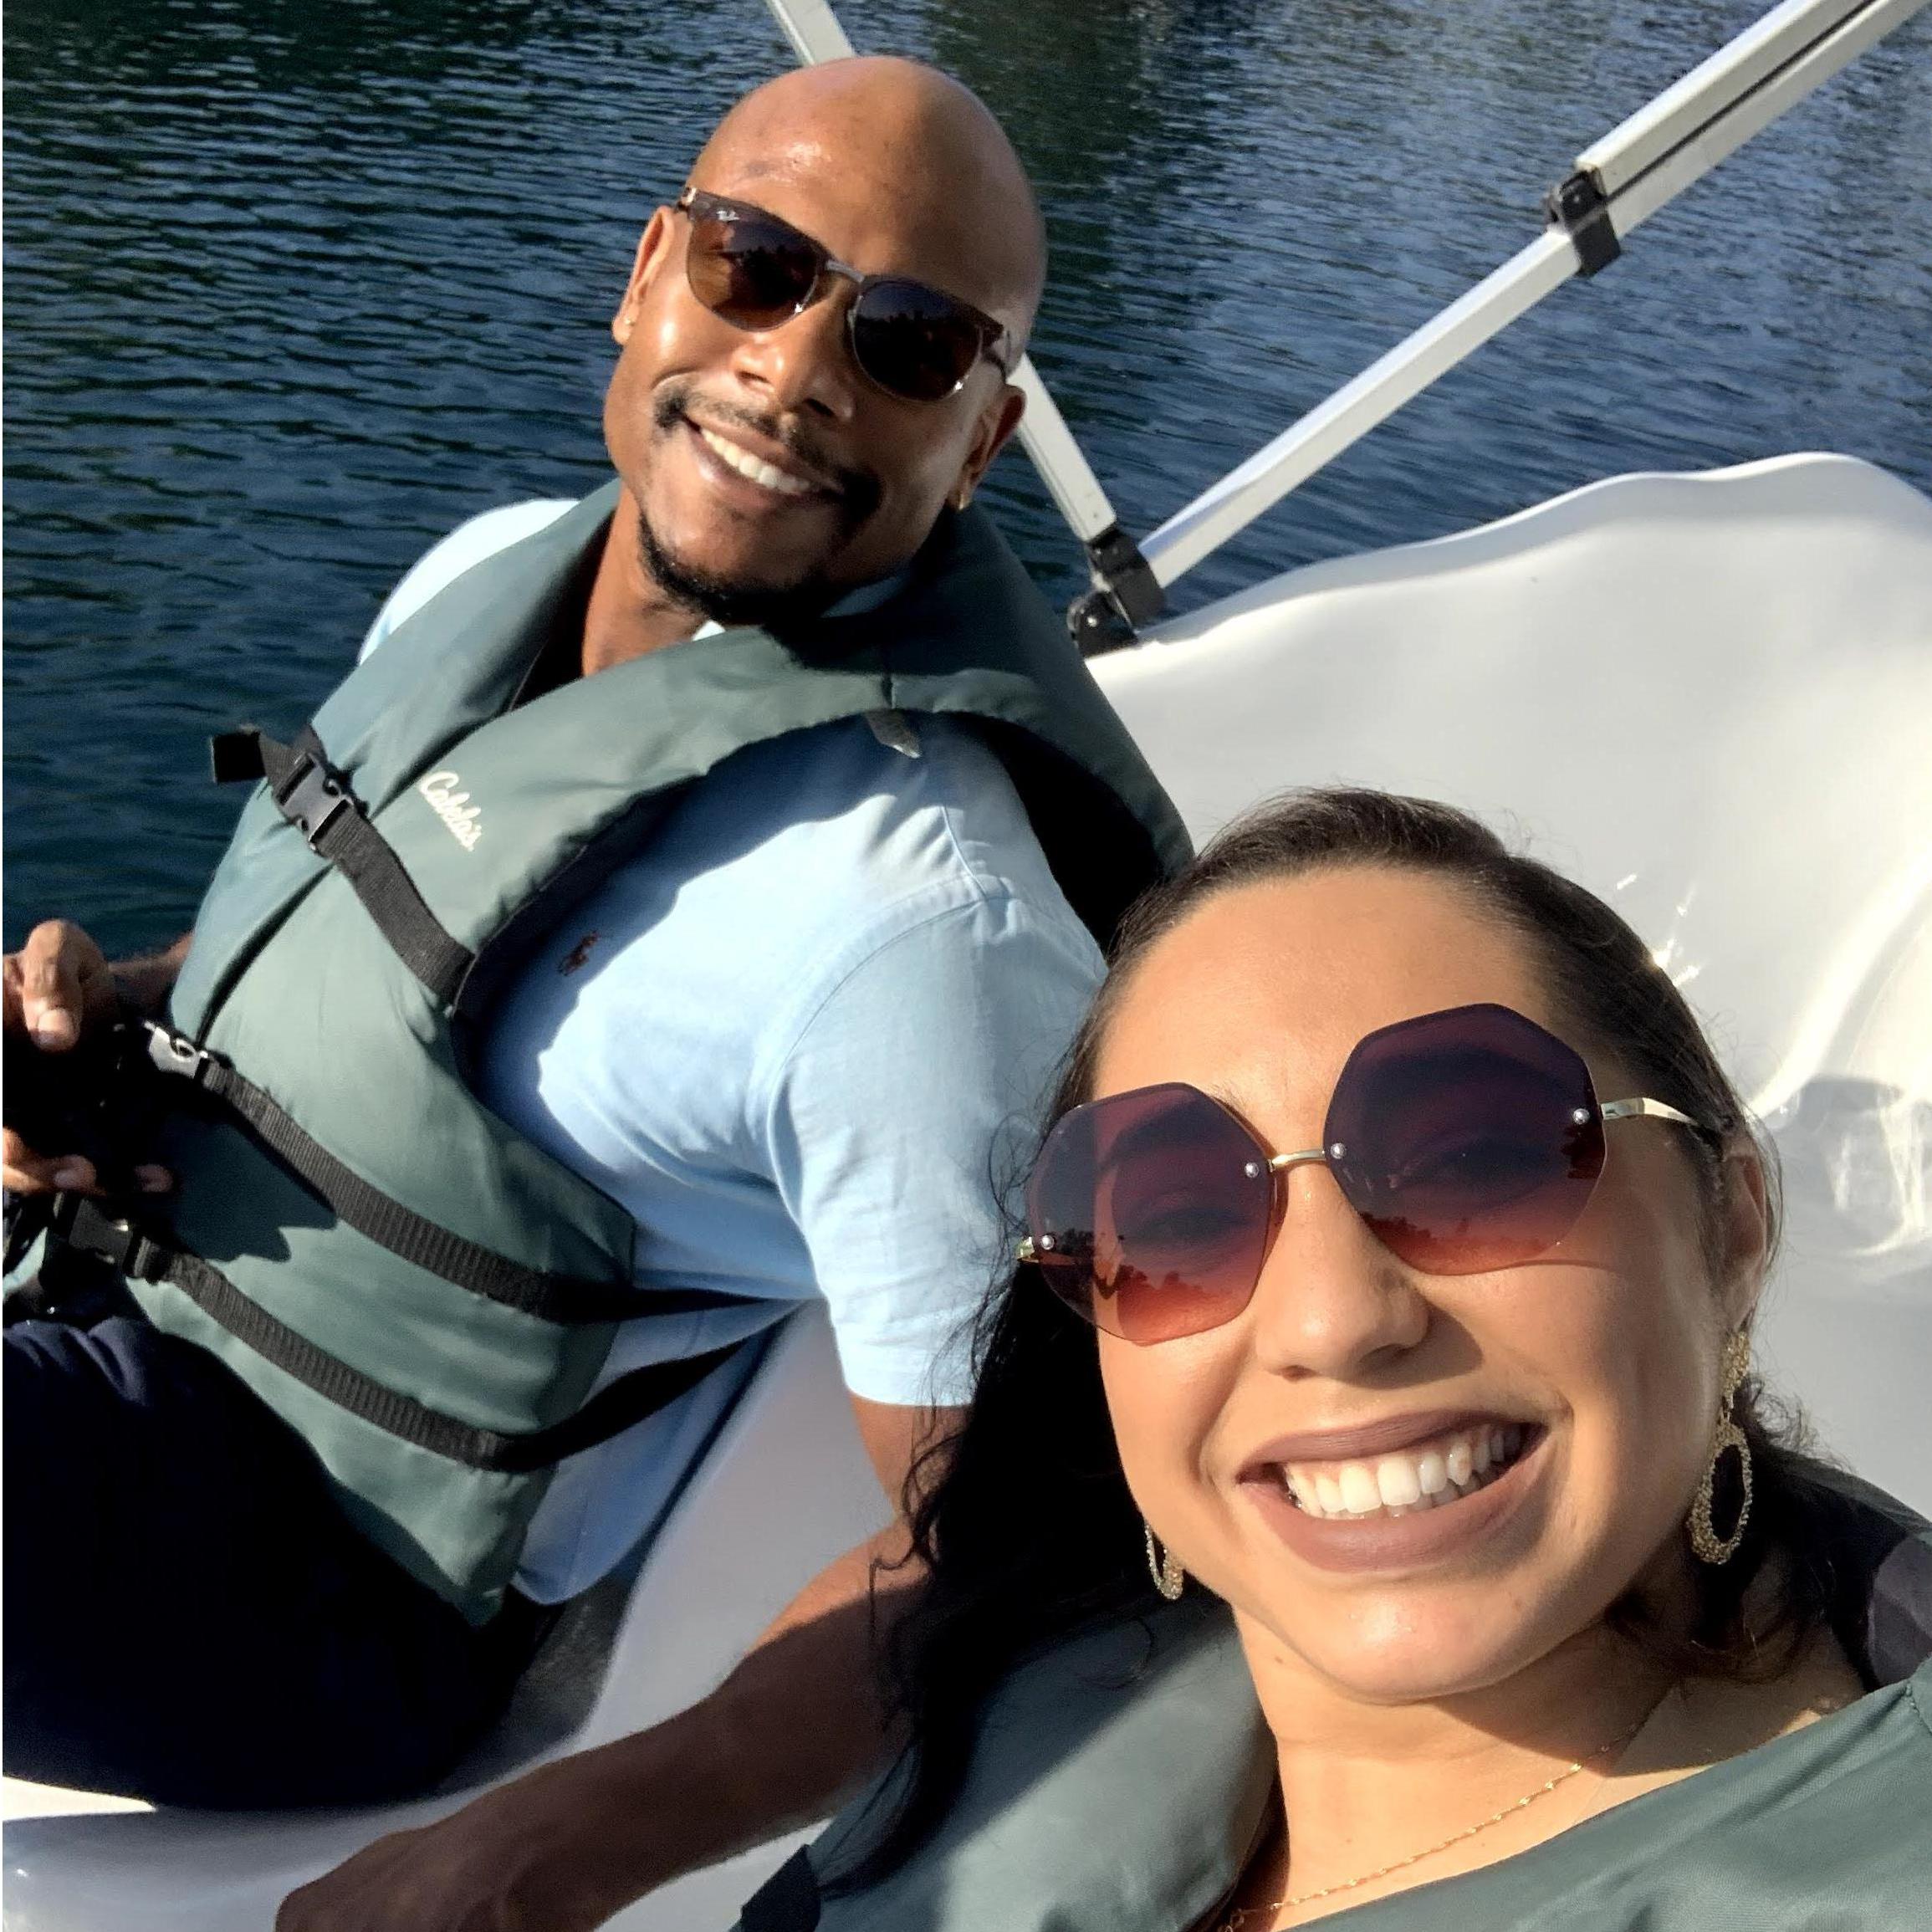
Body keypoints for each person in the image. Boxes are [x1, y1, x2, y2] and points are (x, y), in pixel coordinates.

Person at [1, 53, 1188, 1930]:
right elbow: (386, 965)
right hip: (119, 1322)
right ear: (650, 271)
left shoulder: (916, 929)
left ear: (982, 437)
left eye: (906, 339)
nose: (798, 370)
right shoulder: (490, 570)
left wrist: (580, 1837)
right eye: (757, 266)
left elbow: (1025, 1532)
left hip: (338, 1581)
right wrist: (95, 1023)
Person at [744, 788, 1932, 1931]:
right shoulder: (1051, 1709)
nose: (1329, 1319)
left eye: (1472, 1159)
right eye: (1172, 1217)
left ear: (1728, 1226)